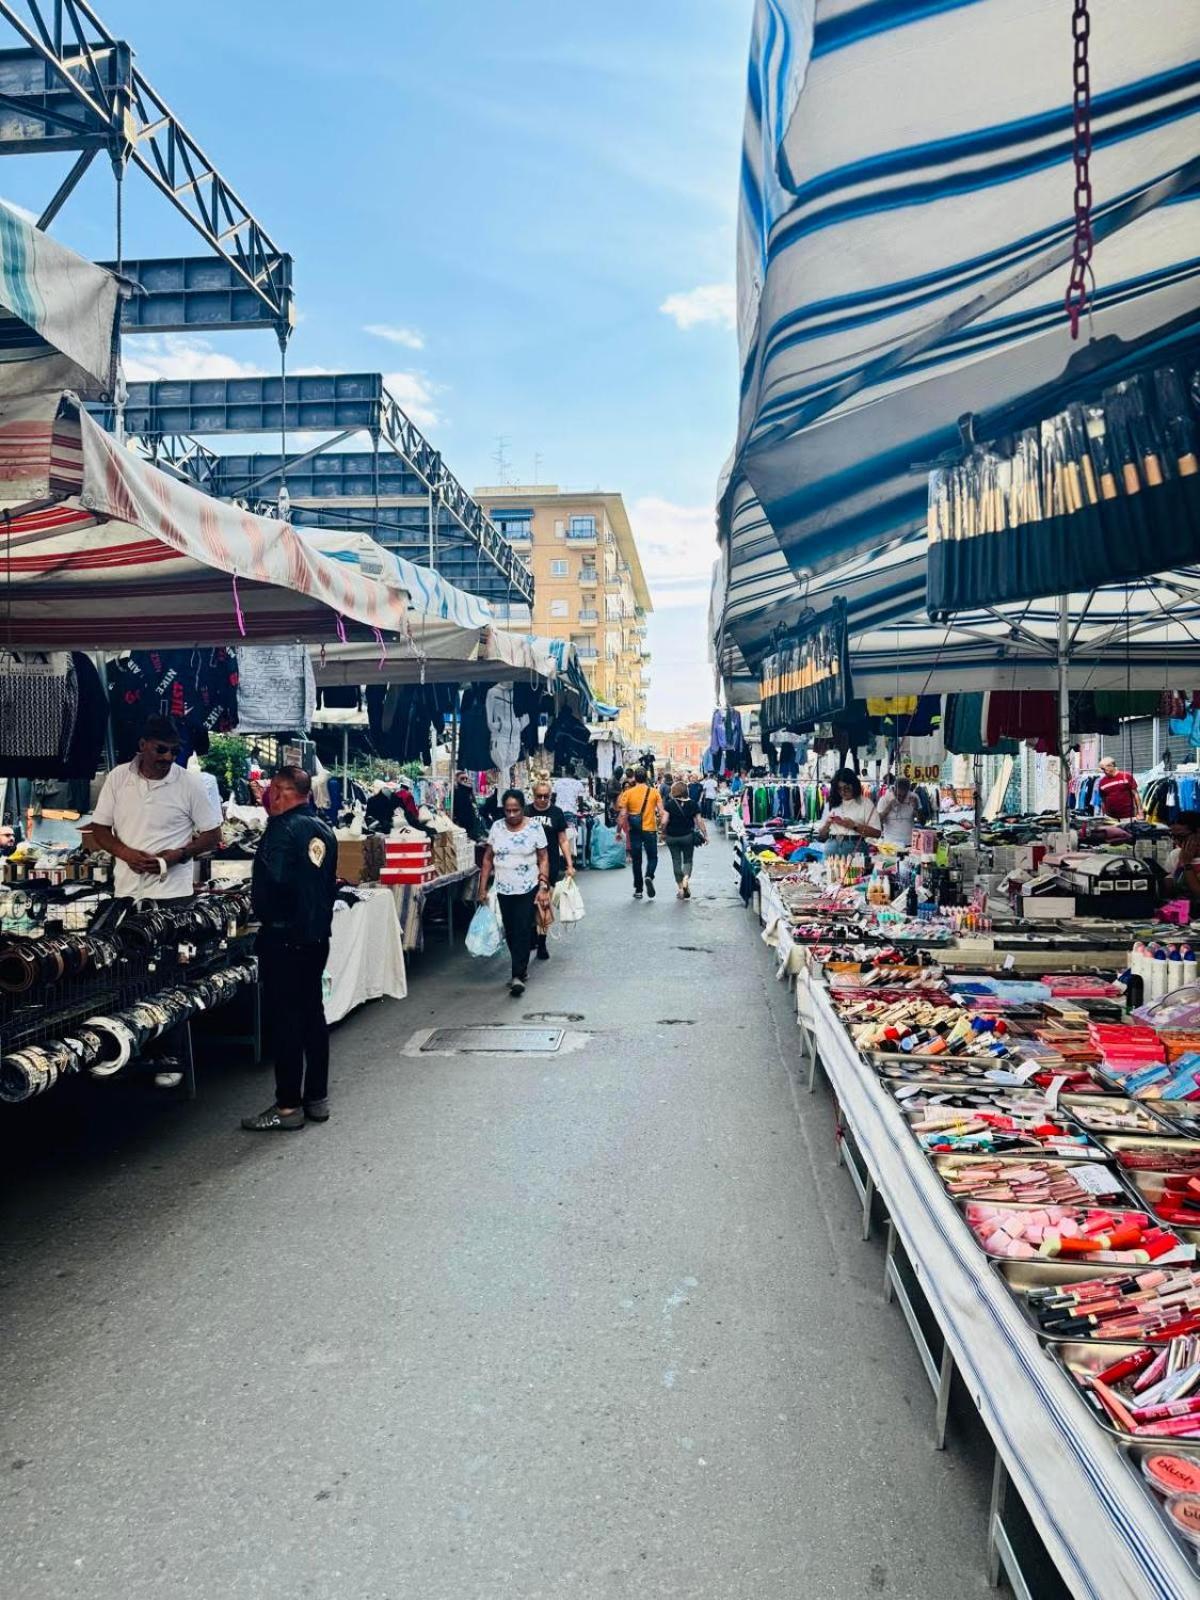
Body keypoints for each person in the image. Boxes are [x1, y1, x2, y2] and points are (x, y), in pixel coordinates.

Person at [90, 714, 222, 1089]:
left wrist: (177, 855)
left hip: (172, 894)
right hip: (128, 892)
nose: (167, 757)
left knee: (170, 972)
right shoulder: (118, 778)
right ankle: (134, 1045)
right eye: (162, 749)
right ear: (143, 745)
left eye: (174, 751)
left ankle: (172, 1052)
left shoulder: (189, 783)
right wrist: (126, 853)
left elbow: (212, 834)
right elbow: (100, 829)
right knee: (130, 972)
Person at [242, 767, 338, 1132]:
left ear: (280, 792)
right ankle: (316, 1098)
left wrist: (267, 915)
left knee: (286, 1020)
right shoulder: (323, 828)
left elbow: (277, 881)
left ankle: (287, 1106)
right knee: (313, 1014)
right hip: (316, 936)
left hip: (285, 936)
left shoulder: (281, 829)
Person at [478, 789, 551, 996]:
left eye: (515, 810)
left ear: (522, 808)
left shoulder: (535, 827)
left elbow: (543, 857)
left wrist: (543, 885)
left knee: (521, 928)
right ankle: (521, 967)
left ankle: (517, 975)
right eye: (508, 811)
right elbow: (487, 859)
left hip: (528, 887)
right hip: (503, 888)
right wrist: (482, 888)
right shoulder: (497, 827)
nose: (511, 815)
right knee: (510, 931)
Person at [529, 776, 574, 962]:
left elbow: (563, 839)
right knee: (530, 903)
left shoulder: (556, 813)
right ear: (533, 795)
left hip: (551, 864)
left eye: (546, 796)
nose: (542, 800)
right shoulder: (525, 812)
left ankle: (542, 941)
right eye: (539, 796)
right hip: (529, 864)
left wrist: (569, 864)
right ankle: (533, 931)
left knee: (544, 903)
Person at [618, 767, 663, 900]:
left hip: (635, 830)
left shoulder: (628, 793)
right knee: (653, 857)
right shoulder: (654, 792)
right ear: (646, 777)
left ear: (635, 778)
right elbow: (661, 812)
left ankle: (638, 889)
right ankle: (649, 875)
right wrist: (662, 827)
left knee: (637, 860)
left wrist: (618, 831)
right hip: (650, 829)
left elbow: (623, 814)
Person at [816, 768, 881, 859]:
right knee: (829, 873)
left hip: (856, 848)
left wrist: (854, 826)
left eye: (847, 788)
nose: (843, 792)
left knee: (856, 873)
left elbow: (877, 833)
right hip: (831, 847)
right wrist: (827, 824)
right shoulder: (831, 803)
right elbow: (821, 836)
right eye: (839, 789)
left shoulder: (866, 803)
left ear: (854, 786)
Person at [661, 780, 706, 899]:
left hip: (672, 837)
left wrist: (662, 832)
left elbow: (664, 821)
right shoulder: (693, 804)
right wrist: (705, 834)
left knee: (676, 861)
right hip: (687, 837)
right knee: (688, 860)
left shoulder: (669, 804)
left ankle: (681, 888)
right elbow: (699, 821)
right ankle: (686, 878)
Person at [1167, 812, 1200, 908]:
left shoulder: (1182, 858)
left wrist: (1187, 865)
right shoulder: (1175, 855)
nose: (1177, 842)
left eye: (1181, 837)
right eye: (1173, 837)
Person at [878, 775, 918, 847]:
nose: (901, 798)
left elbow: (922, 820)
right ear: (894, 789)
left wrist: (916, 807)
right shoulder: (884, 799)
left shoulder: (914, 797)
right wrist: (888, 808)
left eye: (904, 795)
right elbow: (877, 821)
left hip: (909, 843)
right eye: (899, 795)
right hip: (890, 843)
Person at [1098, 755, 1143, 821]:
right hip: (1110, 817)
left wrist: (1140, 812)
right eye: (1102, 769)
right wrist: (1104, 814)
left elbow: (1136, 794)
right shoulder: (1102, 782)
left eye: (1104, 769)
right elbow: (1103, 800)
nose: (1103, 771)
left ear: (1111, 766)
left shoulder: (1126, 776)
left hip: (1128, 817)